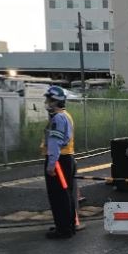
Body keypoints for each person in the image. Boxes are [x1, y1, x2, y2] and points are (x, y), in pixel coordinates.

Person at [41, 85, 76, 239]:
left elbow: (55, 143)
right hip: (66, 159)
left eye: (49, 99)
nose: (47, 102)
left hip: (58, 161)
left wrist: (50, 166)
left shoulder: (58, 119)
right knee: (66, 194)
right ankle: (68, 225)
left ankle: (63, 229)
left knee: (58, 195)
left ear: (55, 101)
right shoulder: (66, 115)